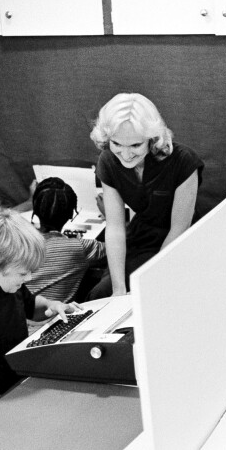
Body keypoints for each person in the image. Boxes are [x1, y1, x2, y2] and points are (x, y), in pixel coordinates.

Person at [0, 210, 79, 411]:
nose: (28, 278)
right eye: (23, 273)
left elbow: (30, 306)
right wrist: (11, 408)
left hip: (21, 379)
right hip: (4, 400)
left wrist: (52, 305)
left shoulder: (7, 284)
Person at [87, 93, 204, 298]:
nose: (125, 155)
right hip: (141, 238)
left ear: (152, 139)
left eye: (135, 145)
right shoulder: (108, 161)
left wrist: (153, 282)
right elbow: (115, 228)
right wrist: (118, 290)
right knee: (101, 294)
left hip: (180, 241)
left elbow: (179, 228)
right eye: (117, 144)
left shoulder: (184, 162)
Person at [25, 177, 106, 302]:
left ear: (35, 209)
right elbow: (117, 247)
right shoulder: (79, 247)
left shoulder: (21, 242)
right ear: (71, 214)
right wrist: (109, 213)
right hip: (55, 313)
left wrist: (32, 200)